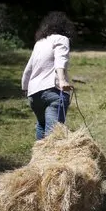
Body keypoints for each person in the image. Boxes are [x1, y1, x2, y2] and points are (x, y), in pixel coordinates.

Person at [21, 11, 75, 140]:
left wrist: (25, 87)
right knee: (54, 132)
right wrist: (62, 80)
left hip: (34, 94)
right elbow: (60, 60)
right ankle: (50, 159)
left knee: (41, 125)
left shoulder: (39, 43)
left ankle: (40, 159)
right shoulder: (62, 39)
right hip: (53, 92)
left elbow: (29, 67)